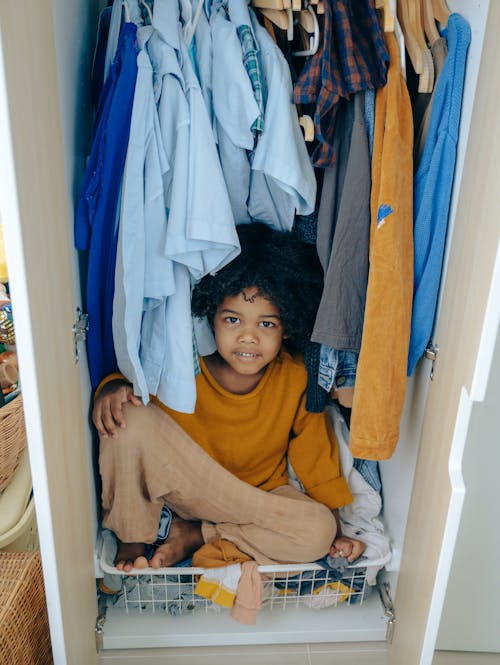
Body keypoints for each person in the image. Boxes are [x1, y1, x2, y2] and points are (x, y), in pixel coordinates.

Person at [93, 223, 366, 572]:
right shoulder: (185, 366)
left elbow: (315, 451)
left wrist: (336, 529)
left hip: (255, 499)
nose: (249, 338)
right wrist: (111, 389)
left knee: (317, 531)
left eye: (266, 324)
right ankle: (133, 538)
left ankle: (197, 535)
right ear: (212, 317)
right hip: (189, 490)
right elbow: (140, 390)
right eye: (234, 320)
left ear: (287, 328)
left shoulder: (295, 375)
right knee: (126, 417)